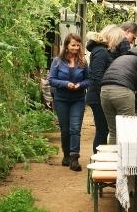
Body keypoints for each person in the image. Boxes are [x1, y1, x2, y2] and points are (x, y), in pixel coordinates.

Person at [48, 33, 91, 171]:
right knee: (65, 129)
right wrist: (66, 83)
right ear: (66, 45)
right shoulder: (57, 61)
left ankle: (74, 158)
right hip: (61, 99)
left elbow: (89, 80)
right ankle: (66, 154)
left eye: (78, 45)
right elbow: (52, 80)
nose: (76, 48)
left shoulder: (83, 62)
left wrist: (81, 85)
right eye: (73, 45)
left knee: (75, 128)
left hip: (78, 99)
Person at [99, 47, 137, 144]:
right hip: (123, 91)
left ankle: (113, 158)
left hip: (104, 90)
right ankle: (126, 158)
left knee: (113, 131)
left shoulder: (122, 57)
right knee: (127, 130)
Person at [85, 30, 112, 154]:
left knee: (102, 129)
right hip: (97, 96)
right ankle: (98, 160)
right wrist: (104, 95)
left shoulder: (97, 51)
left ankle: (98, 159)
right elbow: (97, 76)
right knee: (102, 130)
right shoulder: (101, 51)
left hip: (95, 95)